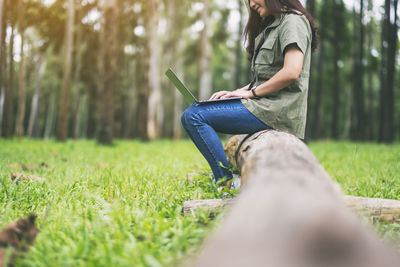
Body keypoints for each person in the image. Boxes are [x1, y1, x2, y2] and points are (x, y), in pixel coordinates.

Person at [181, 0, 318, 188]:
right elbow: (266, 78)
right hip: (263, 106)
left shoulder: (293, 21)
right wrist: (238, 93)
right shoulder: (272, 25)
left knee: (194, 115)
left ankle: (225, 182)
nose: (251, 4)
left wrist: (251, 93)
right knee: (193, 112)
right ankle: (225, 179)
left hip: (277, 111)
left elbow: (292, 72)